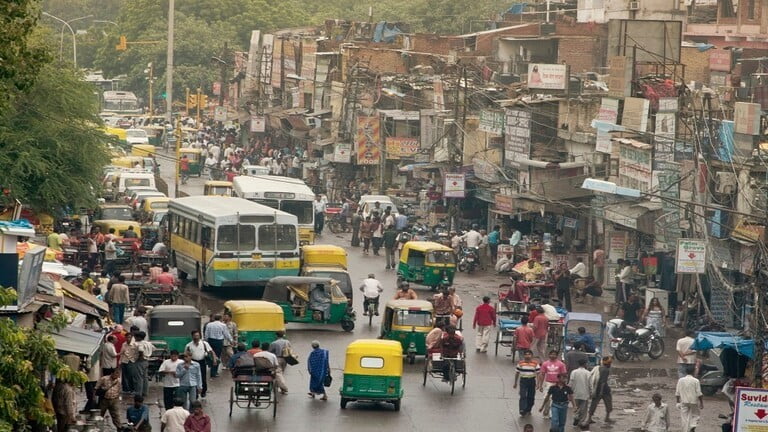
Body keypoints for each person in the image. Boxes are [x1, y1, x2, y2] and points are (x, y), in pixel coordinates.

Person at [184, 330, 213, 398]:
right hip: (193, 362)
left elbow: (211, 351)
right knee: (194, 377)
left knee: (203, 377)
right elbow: (186, 354)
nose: (196, 337)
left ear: (200, 336)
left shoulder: (204, 343)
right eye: (195, 336)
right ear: (192, 336)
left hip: (202, 362)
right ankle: (195, 393)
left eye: (197, 335)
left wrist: (214, 359)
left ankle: (203, 391)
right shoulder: (188, 345)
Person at [538, 350, 567, 418]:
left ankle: (552, 413)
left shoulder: (561, 364)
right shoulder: (545, 364)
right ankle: (546, 412)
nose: (553, 356)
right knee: (546, 398)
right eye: (551, 354)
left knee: (555, 399)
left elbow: (564, 374)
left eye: (554, 354)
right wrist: (540, 385)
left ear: (557, 356)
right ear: (549, 355)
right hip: (548, 383)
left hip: (557, 383)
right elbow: (542, 374)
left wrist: (563, 384)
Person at [586, 356, 614, 425]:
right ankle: (607, 418)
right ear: (607, 363)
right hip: (604, 390)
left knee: (594, 404)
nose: (610, 364)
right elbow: (603, 382)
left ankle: (589, 418)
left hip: (596, 389)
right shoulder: (606, 370)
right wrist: (601, 392)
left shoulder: (598, 368)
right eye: (609, 363)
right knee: (608, 404)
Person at [676, 365, 703, 432]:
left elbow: (677, 393)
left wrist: (677, 402)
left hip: (684, 401)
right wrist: (701, 403)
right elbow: (699, 393)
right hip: (693, 401)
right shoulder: (696, 381)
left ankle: (685, 430)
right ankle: (693, 426)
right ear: (693, 371)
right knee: (696, 415)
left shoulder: (681, 380)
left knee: (684, 417)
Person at [203, 314, 231, 378]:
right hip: (219, 341)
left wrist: (205, 341)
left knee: (211, 355)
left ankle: (211, 368)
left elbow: (206, 334)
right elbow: (226, 334)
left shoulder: (209, 325)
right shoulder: (223, 325)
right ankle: (214, 371)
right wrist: (231, 340)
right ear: (220, 319)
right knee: (217, 356)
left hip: (210, 341)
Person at [513, 349, 540, 417]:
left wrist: (538, 384)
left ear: (532, 356)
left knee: (531, 397)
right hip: (523, 381)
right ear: (524, 355)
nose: (527, 356)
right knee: (523, 395)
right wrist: (515, 383)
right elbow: (517, 373)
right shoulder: (520, 363)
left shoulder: (535, 363)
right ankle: (522, 409)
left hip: (531, 381)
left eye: (529, 354)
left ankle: (528, 409)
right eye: (526, 354)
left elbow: (538, 374)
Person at [570, 359, 592, 427]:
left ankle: (576, 417)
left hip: (575, 393)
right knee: (583, 409)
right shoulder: (588, 373)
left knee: (576, 407)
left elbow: (571, 383)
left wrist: (570, 392)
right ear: (585, 364)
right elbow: (590, 384)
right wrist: (591, 392)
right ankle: (581, 421)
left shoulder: (574, 372)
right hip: (585, 393)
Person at [134, 330, 155, 397]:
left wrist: (140, 357)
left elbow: (140, 350)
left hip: (140, 361)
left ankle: (139, 393)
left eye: (136, 337)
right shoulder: (148, 343)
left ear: (139, 337)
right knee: (145, 377)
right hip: (147, 361)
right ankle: (145, 392)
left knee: (139, 378)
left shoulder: (140, 343)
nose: (135, 338)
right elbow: (154, 348)